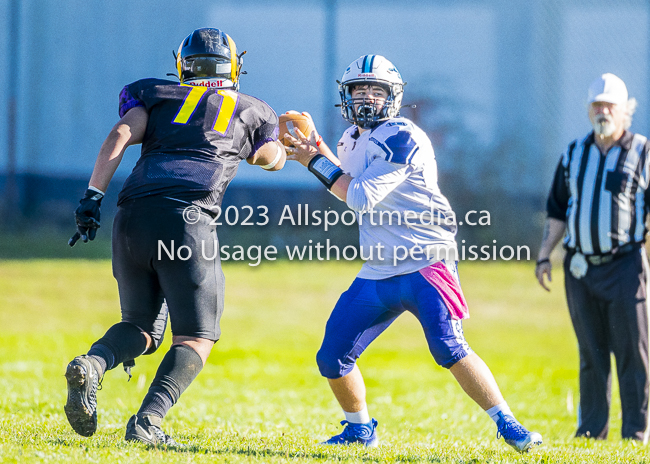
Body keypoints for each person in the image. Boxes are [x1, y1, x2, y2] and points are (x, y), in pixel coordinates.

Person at [285, 54, 542, 452]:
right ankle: (359, 429)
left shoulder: (402, 134)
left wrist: (312, 160)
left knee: (448, 347)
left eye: (376, 90)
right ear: (346, 96)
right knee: (332, 354)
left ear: (394, 96)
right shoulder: (351, 138)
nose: (367, 98)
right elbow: (348, 177)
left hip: (427, 260)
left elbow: (359, 196)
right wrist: (316, 147)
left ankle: (509, 425)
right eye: (359, 90)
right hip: (380, 267)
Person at [64, 27, 286, 446]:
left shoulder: (157, 94)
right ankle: (147, 422)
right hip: (187, 219)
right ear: (234, 67)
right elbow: (265, 157)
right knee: (197, 336)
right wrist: (283, 148)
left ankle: (93, 364)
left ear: (184, 65)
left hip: (130, 215)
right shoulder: (253, 109)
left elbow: (120, 135)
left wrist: (92, 197)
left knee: (142, 329)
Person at [536, 73, 649, 442]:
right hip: (580, 267)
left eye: (609, 105)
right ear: (589, 110)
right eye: (597, 105)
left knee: (633, 352)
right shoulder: (574, 153)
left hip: (625, 265)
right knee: (591, 353)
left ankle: (635, 431)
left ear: (624, 110)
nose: (603, 111)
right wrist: (543, 257)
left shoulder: (642, 152)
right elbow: (556, 208)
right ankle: (590, 431)